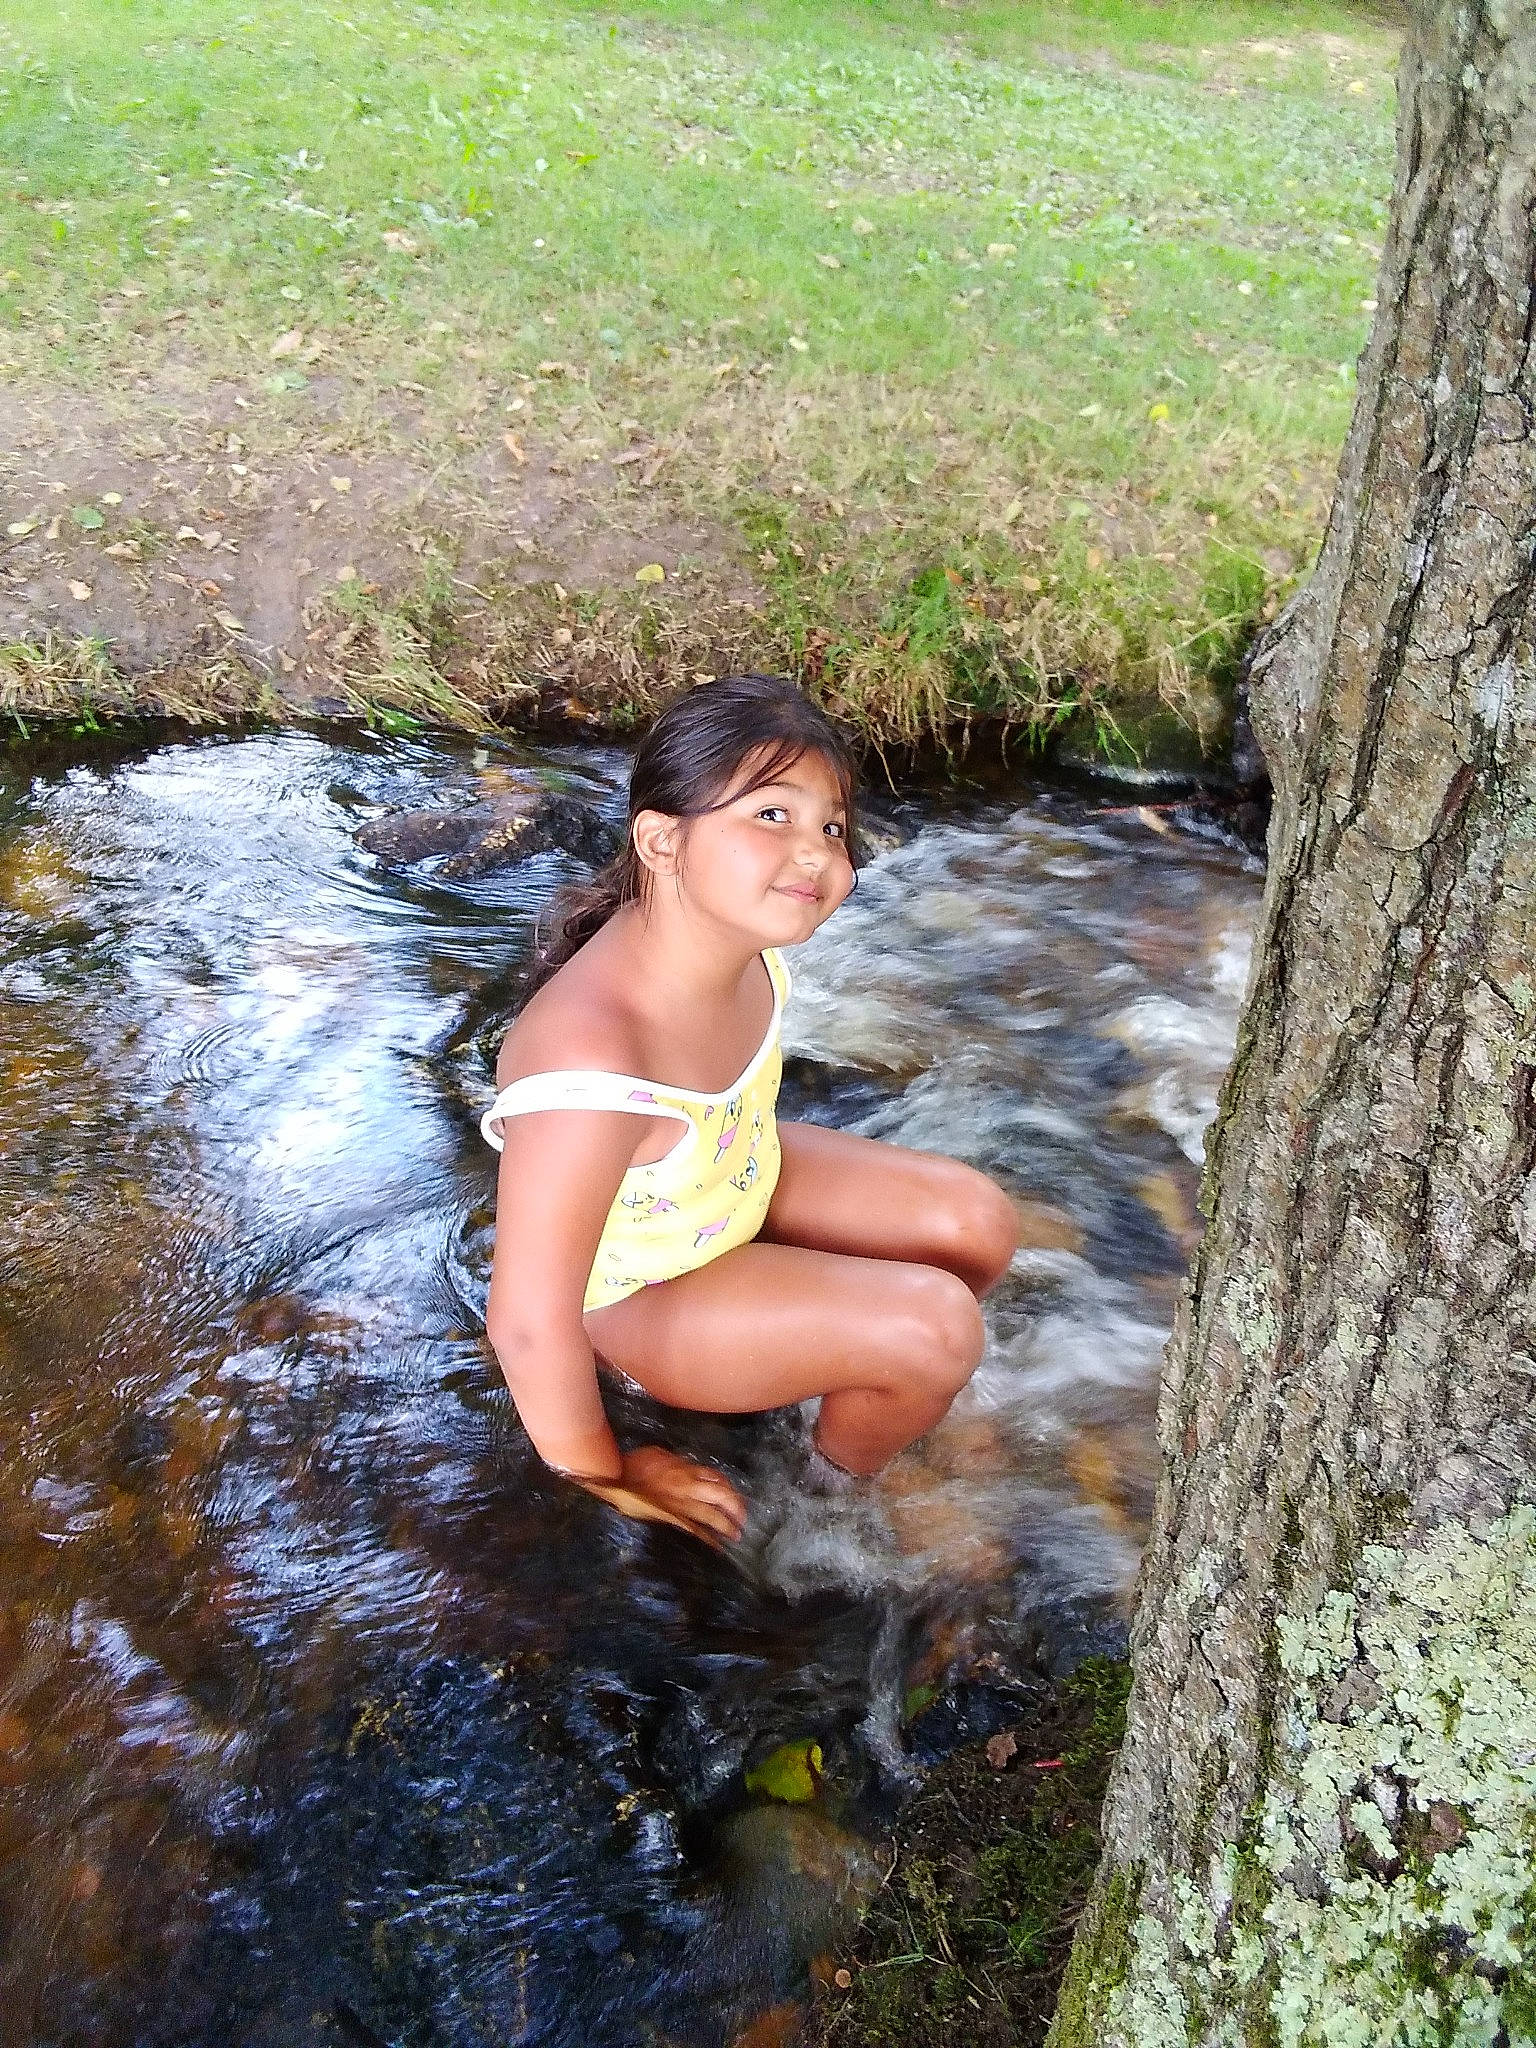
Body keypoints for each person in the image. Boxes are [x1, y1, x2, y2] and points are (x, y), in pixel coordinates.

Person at [482, 674, 1018, 1548]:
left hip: (728, 1185)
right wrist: (606, 1472)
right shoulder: (591, 1066)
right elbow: (528, 1320)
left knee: (975, 1225)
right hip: (640, 1296)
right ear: (660, 839)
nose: (816, 853)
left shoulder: (732, 945)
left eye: (831, 826)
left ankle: (862, 1391)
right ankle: (829, 1496)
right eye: (772, 816)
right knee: (936, 1326)